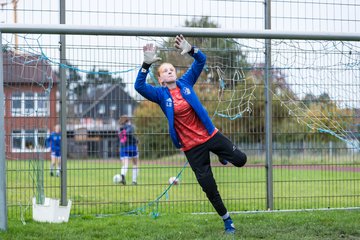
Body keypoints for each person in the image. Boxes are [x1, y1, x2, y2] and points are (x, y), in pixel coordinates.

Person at [134, 35, 247, 234]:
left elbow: (201, 61)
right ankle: (227, 221)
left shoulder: (186, 82)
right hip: (192, 147)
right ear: (160, 79)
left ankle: (221, 154)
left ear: (176, 73)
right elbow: (139, 87)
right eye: (164, 71)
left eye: (171, 69)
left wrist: (191, 49)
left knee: (241, 159)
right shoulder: (160, 95)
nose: (169, 71)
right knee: (209, 187)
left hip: (210, 136)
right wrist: (146, 64)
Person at [118, 115, 139, 185]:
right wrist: (136, 140)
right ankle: (134, 181)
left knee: (125, 164)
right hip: (131, 146)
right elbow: (131, 134)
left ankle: (122, 176)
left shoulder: (120, 128)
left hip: (123, 147)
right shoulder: (130, 126)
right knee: (135, 163)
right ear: (128, 120)